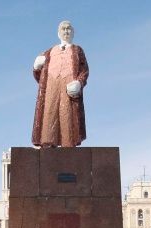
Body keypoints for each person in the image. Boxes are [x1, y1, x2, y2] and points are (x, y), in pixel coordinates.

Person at [31, 20, 89, 148]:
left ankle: (68, 145)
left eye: (69, 29)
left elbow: (84, 70)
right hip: (52, 85)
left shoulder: (77, 50)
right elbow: (38, 75)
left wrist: (79, 83)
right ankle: (47, 144)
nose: (66, 31)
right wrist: (36, 66)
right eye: (63, 29)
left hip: (68, 86)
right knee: (49, 112)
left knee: (67, 114)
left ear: (73, 32)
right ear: (58, 33)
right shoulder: (49, 52)